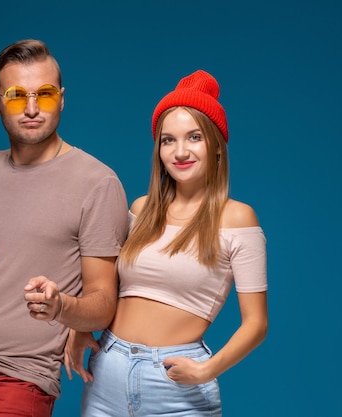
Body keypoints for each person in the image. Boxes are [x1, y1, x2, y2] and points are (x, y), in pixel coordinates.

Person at [0, 39, 129, 417]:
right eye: (18, 96)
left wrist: (60, 306)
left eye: (45, 95)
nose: (33, 109)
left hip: (16, 386)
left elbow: (104, 304)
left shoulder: (97, 182)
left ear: (62, 99)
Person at [65, 70, 269, 416]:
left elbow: (256, 323)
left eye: (194, 137)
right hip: (107, 371)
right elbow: (107, 287)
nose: (180, 151)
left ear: (217, 145)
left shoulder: (237, 219)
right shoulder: (141, 209)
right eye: (168, 140)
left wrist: (208, 370)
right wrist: (79, 326)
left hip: (176, 384)